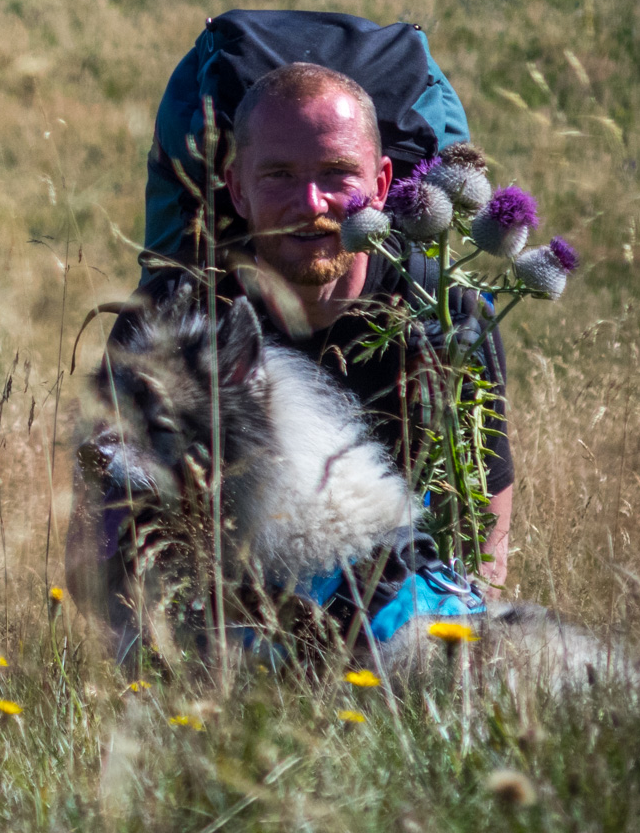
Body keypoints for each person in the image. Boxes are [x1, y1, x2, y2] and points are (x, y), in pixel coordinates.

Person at [67, 61, 513, 654]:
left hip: (402, 639)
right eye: (278, 175)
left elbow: (484, 550)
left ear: (382, 184)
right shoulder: (168, 327)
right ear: (237, 186)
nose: (312, 202)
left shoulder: (447, 319)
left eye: (337, 173)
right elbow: (90, 566)